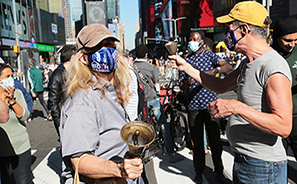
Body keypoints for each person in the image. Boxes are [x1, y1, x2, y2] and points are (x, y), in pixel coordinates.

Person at [170, 1, 292, 183]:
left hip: (263, 167)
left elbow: (283, 126)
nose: (227, 35)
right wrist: (187, 67)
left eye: (229, 29)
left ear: (243, 29)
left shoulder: (272, 65)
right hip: (245, 161)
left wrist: (236, 107)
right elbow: (219, 86)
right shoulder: (246, 63)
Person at [60, 24, 143, 184]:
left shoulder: (112, 89)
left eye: (110, 46)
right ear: (83, 58)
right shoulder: (83, 99)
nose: (107, 51)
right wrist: (119, 168)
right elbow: (79, 160)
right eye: (98, 47)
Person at [179, 31, 232, 184]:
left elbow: (228, 67)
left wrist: (215, 71)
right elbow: (181, 85)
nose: (191, 42)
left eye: (194, 39)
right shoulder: (186, 61)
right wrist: (185, 84)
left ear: (201, 42)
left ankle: (219, 171)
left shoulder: (210, 56)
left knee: (215, 141)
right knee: (197, 142)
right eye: (189, 39)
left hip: (211, 105)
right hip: (193, 106)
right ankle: (198, 171)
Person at [133, 44, 184, 163]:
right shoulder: (151, 67)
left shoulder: (132, 68)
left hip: (139, 101)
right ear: (146, 55)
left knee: (139, 126)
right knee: (163, 124)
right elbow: (157, 84)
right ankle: (170, 152)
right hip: (153, 98)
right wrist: (157, 92)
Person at [0, 64, 32, 183]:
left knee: (23, 181)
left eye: (11, 76)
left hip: (20, 147)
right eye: (7, 76)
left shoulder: (17, 93)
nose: (11, 79)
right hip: (2, 149)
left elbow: (24, 115)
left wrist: (12, 101)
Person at [272, 16, 297, 161]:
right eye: (287, 40)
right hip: (277, 120)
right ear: (276, 37)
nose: (292, 45)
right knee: (278, 163)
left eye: (296, 40)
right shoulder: (269, 55)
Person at [48, 45, 75, 136]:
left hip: (75, 115)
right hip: (65, 118)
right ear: (73, 57)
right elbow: (53, 102)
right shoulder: (57, 75)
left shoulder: (75, 72)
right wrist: (59, 123)